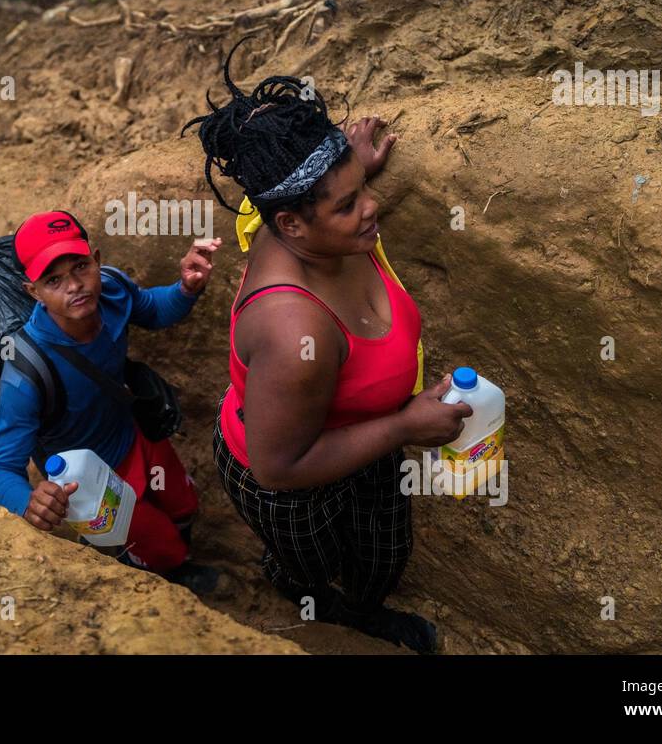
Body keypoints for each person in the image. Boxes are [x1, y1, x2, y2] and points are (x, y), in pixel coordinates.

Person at [182, 50, 472, 652]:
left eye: (362, 189)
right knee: (311, 561)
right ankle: (310, 600)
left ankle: (364, 606)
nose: (371, 208)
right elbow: (279, 467)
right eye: (346, 204)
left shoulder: (293, 221)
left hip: (362, 435)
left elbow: (258, 205)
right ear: (290, 226)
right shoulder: (294, 334)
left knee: (385, 548)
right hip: (290, 478)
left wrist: (346, 168)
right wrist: (404, 426)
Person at [0, 210, 222, 592]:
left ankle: (175, 554)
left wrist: (184, 289)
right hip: (91, 482)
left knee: (183, 504)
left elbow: (151, 308)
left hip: (136, 434)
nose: (75, 286)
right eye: (54, 280)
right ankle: (167, 573)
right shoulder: (26, 372)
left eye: (80, 267)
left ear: (96, 259)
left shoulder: (110, 289)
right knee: (159, 545)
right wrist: (28, 501)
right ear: (34, 291)